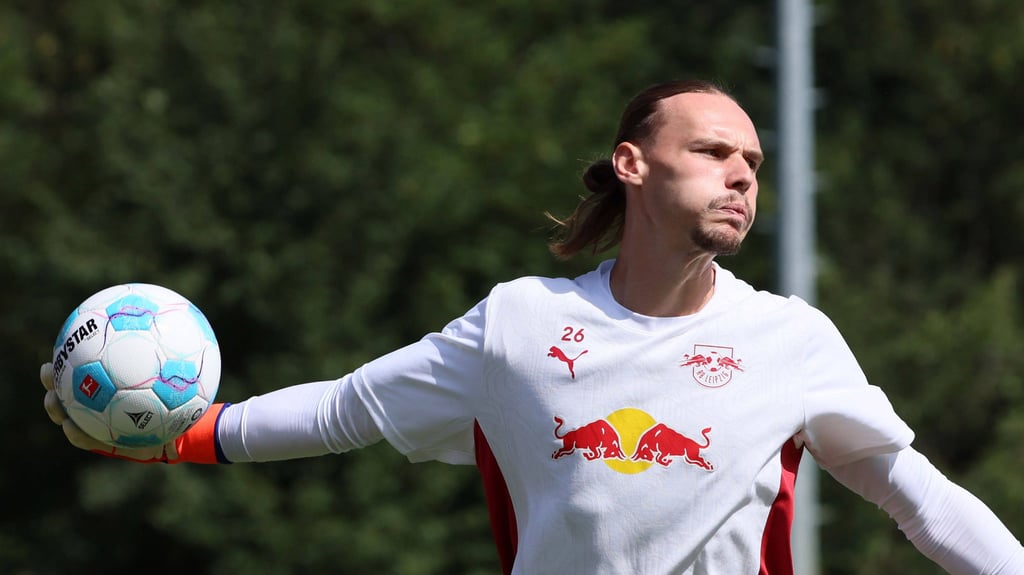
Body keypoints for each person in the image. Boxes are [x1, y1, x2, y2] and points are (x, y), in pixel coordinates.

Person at [42, 79, 1024, 574]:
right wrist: (179, 436)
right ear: (634, 164)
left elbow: (921, 504)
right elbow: (345, 408)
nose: (740, 174)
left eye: (754, 161)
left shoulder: (791, 337)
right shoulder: (515, 325)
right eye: (713, 150)